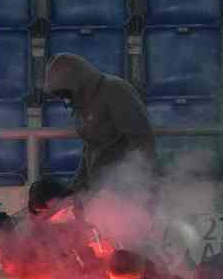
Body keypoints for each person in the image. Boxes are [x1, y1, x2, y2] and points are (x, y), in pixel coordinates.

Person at [42, 53, 157, 194]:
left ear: (78, 83)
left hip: (128, 190)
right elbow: (90, 151)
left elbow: (142, 142)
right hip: (101, 188)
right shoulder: (81, 102)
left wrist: (129, 185)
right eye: (59, 95)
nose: (64, 99)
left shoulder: (115, 90)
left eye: (64, 93)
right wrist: (73, 192)